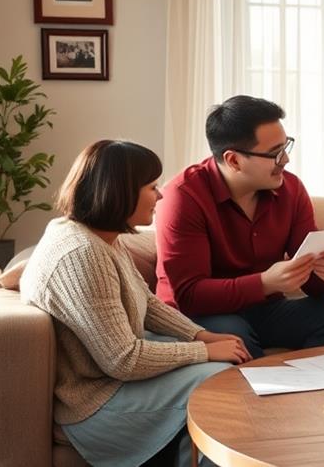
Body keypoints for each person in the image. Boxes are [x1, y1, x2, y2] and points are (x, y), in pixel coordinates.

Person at [19, 140, 251, 467]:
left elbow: (147, 301)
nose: (161, 195)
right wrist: (204, 351)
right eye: (153, 186)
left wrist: (201, 335)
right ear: (120, 190)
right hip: (94, 403)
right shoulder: (84, 253)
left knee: (222, 374)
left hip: (111, 382)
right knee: (218, 384)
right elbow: (122, 359)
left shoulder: (97, 237)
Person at [156, 95, 324, 358]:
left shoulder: (291, 189)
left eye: (286, 147)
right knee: (233, 332)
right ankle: (267, 394)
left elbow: (314, 287)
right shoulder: (183, 197)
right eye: (275, 153)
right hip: (199, 316)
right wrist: (264, 283)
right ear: (234, 160)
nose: (285, 160)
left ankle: (306, 384)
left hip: (264, 309)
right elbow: (190, 295)